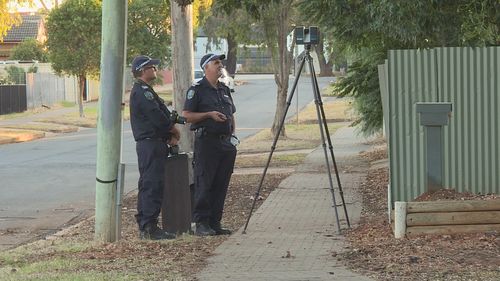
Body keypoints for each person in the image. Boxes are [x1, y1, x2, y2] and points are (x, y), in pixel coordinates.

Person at [183, 53, 237, 236]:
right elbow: (186, 115)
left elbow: (232, 113)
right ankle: (202, 223)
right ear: (206, 68)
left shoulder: (224, 89)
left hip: (225, 144)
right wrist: (208, 115)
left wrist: (231, 134)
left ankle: (215, 222)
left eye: (220, 63)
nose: (220, 65)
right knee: (204, 182)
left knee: (221, 183)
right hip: (207, 143)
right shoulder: (197, 89)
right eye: (216, 63)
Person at [130, 55, 180, 240]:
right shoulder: (143, 92)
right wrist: (173, 130)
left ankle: (147, 223)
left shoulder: (144, 90)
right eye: (152, 67)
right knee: (152, 184)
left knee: (150, 183)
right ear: (143, 70)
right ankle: (149, 226)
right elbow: (158, 117)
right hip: (150, 144)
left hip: (153, 143)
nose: (155, 70)